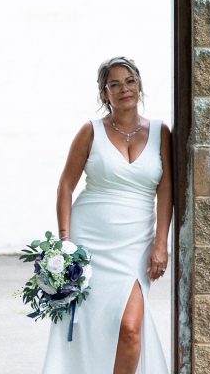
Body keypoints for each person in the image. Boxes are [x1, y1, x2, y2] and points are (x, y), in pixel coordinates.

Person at [42, 57, 173, 373]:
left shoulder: (160, 132)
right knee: (89, 327)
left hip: (135, 244)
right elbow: (65, 186)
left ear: (139, 85)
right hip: (90, 243)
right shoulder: (90, 132)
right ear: (105, 94)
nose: (123, 88)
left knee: (130, 327)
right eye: (114, 84)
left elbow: (166, 190)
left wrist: (161, 243)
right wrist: (65, 243)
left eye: (129, 81)